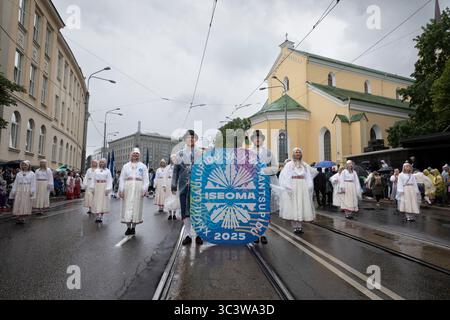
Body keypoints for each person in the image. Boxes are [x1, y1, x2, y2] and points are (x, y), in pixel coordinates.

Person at [172, 130, 204, 246]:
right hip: (183, 185)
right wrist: (173, 184)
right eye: (188, 138)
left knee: (198, 210)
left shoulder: (201, 153)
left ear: (195, 139)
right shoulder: (179, 154)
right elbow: (176, 170)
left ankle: (199, 234)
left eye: (193, 137)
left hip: (198, 185)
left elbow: (206, 169)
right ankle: (188, 234)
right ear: (185, 139)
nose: (190, 139)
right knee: (185, 209)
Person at [279, 148, 318, 234]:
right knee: (293, 205)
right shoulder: (289, 164)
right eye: (296, 152)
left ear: (301, 154)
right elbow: (284, 176)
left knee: (301, 204)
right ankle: (295, 226)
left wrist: (309, 184)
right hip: (293, 185)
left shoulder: (304, 165)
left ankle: (299, 226)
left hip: (302, 186)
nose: (298, 153)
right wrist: (288, 186)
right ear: (293, 154)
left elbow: (312, 173)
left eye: (299, 152)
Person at [250, 130, 278, 245]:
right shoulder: (248, 152)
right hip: (252, 184)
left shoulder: (268, 153)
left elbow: (276, 166)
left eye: (260, 137)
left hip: (265, 184)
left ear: (262, 139)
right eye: (255, 138)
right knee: (254, 209)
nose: (258, 139)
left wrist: (266, 170)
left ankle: (263, 233)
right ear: (252, 140)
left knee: (264, 209)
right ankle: (255, 233)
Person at [118, 148, 150, 236]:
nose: (135, 155)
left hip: (138, 187)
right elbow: (122, 179)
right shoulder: (125, 166)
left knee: (137, 207)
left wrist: (144, 189)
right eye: (133, 154)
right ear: (131, 155)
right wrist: (121, 190)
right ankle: (128, 227)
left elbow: (146, 179)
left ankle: (134, 227)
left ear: (139, 156)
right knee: (127, 206)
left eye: (137, 154)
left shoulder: (143, 166)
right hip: (128, 187)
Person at [91, 159, 113, 223]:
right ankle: (97, 216)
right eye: (100, 162)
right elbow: (93, 180)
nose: (101, 163)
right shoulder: (96, 171)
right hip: (97, 186)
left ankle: (101, 216)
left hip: (104, 187)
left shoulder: (108, 171)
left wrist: (108, 189)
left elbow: (109, 180)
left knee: (103, 202)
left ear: (105, 163)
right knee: (97, 201)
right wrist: (92, 188)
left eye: (103, 162)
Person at [164, 154, 180, 220]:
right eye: (172, 158)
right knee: (168, 198)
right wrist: (164, 185)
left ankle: (175, 214)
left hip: (176, 183)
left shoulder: (178, 167)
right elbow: (165, 176)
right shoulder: (167, 167)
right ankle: (170, 214)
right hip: (168, 183)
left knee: (175, 199)